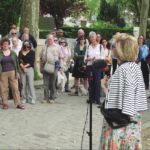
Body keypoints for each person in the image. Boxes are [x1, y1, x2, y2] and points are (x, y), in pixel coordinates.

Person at [99, 33, 148, 150]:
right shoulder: (135, 67)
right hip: (133, 121)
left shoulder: (122, 70)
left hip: (119, 125)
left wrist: (103, 86)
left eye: (114, 46)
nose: (112, 48)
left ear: (122, 50)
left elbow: (115, 103)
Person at [0, 38, 24, 109]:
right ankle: (5, 104)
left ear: (9, 44)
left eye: (7, 44)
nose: (5, 45)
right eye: (4, 44)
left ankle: (18, 103)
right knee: (3, 89)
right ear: (2, 45)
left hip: (13, 72)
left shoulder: (13, 53)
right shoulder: (0, 53)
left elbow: (16, 63)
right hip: (3, 73)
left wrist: (18, 73)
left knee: (15, 88)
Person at [39, 34, 64, 104]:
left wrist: (60, 67)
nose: (49, 40)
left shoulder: (58, 47)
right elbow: (40, 57)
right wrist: (40, 67)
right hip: (46, 65)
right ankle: (46, 98)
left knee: (53, 83)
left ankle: (52, 97)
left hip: (54, 66)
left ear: (53, 39)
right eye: (48, 39)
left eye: (50, 39)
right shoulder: (44, 47)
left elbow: (61, 58)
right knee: (46, 83)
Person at [84, 31, 105, 104]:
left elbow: (103, 57)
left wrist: (96, 59)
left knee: (97, 82)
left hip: (97, 67)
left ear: (96, 37)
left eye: (92, 36)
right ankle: (91, 98)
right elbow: (85, 58)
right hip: (90, 66)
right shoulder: (88, 47)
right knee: (91, 81)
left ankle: (97, 99)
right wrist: (88, 59)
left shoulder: (100, 46)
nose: (91, 38)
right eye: (90, 37)